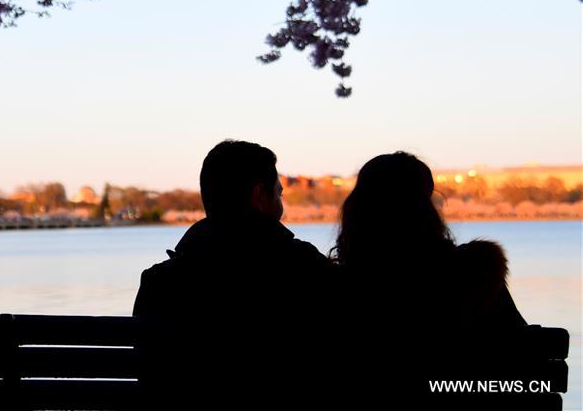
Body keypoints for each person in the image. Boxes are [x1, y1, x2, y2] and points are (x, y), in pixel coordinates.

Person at [133, 140, 334, 409]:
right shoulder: (305, 269)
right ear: (259, 195)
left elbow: (150, 377)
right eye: (279, 194)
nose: (280, 205)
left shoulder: (159, 283)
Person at [330, 152, 527, 408]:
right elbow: (520, 351)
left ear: (358, 210)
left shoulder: (338, 286)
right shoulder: (475, 272)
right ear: (427, 209)